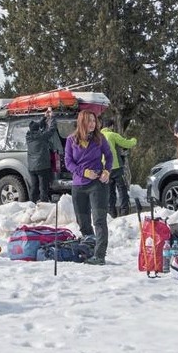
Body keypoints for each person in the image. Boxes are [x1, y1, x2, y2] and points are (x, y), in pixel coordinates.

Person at [64, 110, 114, 265]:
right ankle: (89, 248)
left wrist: (106, 171)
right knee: (83, 221)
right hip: (79, 186)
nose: (92, 124)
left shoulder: (100, 138)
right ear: (81, 122)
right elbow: (68, 162)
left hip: (98, 185)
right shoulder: (71, 140)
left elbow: (110, 156)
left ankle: (100, 256)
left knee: (99, 221)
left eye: (94, 121)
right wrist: (84, 172)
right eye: (89, 121)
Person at [100, 117, 137, 217]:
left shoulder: (98, 136)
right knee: (122, 189)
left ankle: (111, 212)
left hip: (104, 169)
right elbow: (126, 143)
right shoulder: (112, 135)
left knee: (110, 191)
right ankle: (124, 210)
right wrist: (134, 140)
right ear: (111, 126)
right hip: (115, 167)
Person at [25, 108, 61, 203]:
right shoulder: (42, 136)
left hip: (32, 167)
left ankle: (31, 204)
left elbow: (37, 126)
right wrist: (52, 117)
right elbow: (52, 129)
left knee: (34, 187)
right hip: (42, 167)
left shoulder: (28, 137)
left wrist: (45, 117)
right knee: (43, 187)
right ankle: (44, 205)